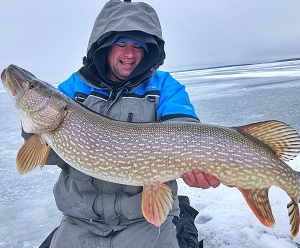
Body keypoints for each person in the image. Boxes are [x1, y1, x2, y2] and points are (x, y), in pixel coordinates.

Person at [23, 0, 220, 247]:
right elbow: (51, 156)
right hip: (81, 220)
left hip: (145, 221)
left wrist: (196, 163)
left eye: (138, 46)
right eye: (121, 44)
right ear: (104, 46)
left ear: (149, 50)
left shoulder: (165, 87)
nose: (130, 54)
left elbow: (183, 128)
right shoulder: (73, 89)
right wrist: (34, 129)